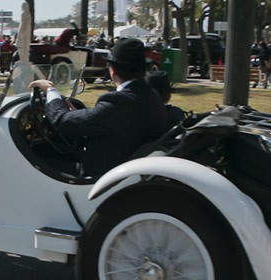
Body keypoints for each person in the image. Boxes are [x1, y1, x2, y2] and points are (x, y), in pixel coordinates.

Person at [27, 38, 169, 177]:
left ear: (112, 70)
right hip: (126, 167)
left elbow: (63, 122)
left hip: (101, 173)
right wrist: (78, 116)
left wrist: (51, 91)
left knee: (36, 154)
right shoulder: (151, 94)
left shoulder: (119, 101)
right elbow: (110, 122)